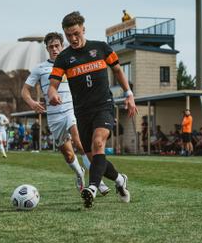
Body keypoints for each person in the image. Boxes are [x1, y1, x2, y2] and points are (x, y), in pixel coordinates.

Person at [48, 11, 138, 208]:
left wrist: (129, 94)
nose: (73, 38)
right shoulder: (64, 58)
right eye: (68, 35)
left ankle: (92, 189)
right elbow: (53, 84)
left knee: (99, 143)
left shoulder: (101, 48)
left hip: (103, 105)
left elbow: (117, 70)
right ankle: (120, 180)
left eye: (76, 33)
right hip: (81, 111)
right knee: (93, 157)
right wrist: (52, 93)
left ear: (83, 29)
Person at [22, 32, 110, 194]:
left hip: (73, 111)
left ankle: (97, 182)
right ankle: (79, 173)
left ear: (62, 46)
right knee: (69, 155)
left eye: (57, 46)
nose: (55, 49)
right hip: (54, 116)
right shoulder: (40, 69)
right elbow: (25, 90)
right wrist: (32, 103)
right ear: (47, 49)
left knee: (81, 144)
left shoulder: (72, 63)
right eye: (51, 47)